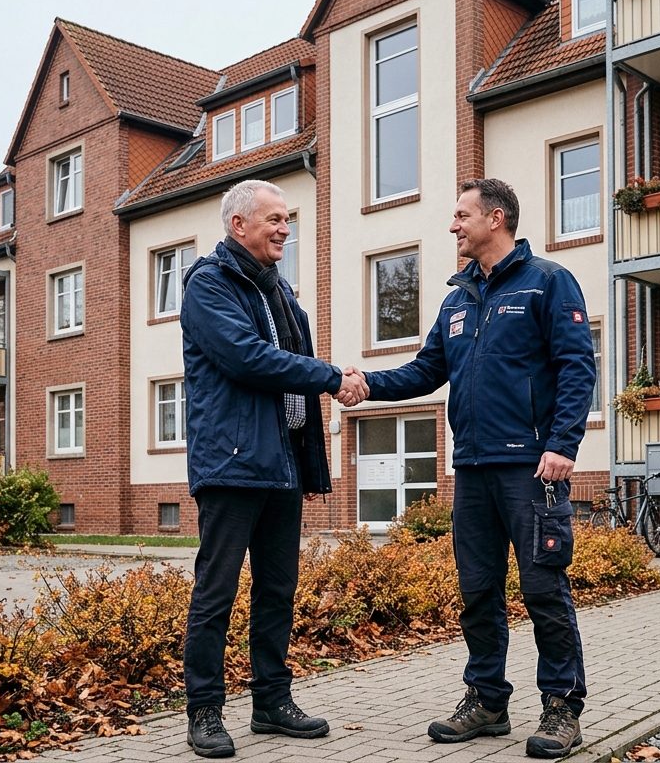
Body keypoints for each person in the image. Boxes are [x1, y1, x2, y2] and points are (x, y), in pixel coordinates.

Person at [352, 178, 596, 759]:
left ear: (495, 218)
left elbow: (576, 368)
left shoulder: (548, 283)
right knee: (478, 590)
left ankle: (563, 708)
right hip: (474, 468)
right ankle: (488, 701)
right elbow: (425, 370)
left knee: (543, 589)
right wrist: (365, 385)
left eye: (461, 215)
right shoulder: (457, 299)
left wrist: (562, 444)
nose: (453, 226)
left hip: (533, 470)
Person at [179, 179, 369, 758]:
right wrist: (332, 376)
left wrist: (309, 462)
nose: (286, 228)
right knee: (216, 592)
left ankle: (271, 702)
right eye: (275, 218)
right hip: (233, 463)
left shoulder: (283, 296)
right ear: (239, 225)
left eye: (288, 219)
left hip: (280, 461)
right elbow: (248, 358)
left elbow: (293, 380)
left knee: (277, 590)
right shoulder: (208, 286)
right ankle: (205, 712)